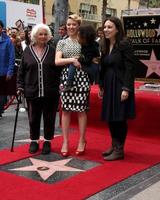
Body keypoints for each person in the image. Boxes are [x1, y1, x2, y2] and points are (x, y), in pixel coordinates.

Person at [17, 23, 61, 154]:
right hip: (32, 90)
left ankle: (47, 141)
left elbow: (59, 70)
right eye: (40, 34)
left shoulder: (53, 51)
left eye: (45, 34)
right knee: (33, 118)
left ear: (48, 36)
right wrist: (19, 86)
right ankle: (34, 141)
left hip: (50, 91)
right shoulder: (27, 51)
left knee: (49, 117)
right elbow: (21, 72)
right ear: (35, 35)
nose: (43, 36)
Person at [99, 16, 136, 161]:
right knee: (110, 116)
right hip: (108, 85)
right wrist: (101, 86)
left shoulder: (124, 44)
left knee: (119, 117)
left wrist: (126, 88)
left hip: (120, 85)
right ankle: (114, 145)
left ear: (117, 29)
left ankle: (119, 149)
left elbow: (130, 68)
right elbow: (103, 67)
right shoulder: (105, 44)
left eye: (109, 27)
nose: (106, 30)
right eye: (105, 27)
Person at [55, 14, 90, 157]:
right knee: (66, 109)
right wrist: (72, 60)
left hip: (82, 77)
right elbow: (57, 61)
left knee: (81, 109)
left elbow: (92, 58)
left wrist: (78, 61)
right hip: (65, 78)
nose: (70, 27)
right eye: (68, 24)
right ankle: (65, 141)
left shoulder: (85, 42)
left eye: (73, 24)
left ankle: (82, 140)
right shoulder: (62, 42)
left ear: (78, 26)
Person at [62, 25, 100, 92]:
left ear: (85, 38)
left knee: (73, 63)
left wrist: (78, 59)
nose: (77, 38)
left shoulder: (91, 48)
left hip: (93, 68)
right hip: (91, 65)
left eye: (78, 36)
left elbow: (87, 61)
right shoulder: (86, 44)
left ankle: (69, 84)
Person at [0, 20, 15, 118]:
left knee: (1, 95)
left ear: (2, 28)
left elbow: (11, 57)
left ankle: (0, 110)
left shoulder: (8, 41)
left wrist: (10, 71)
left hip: (3, 72)